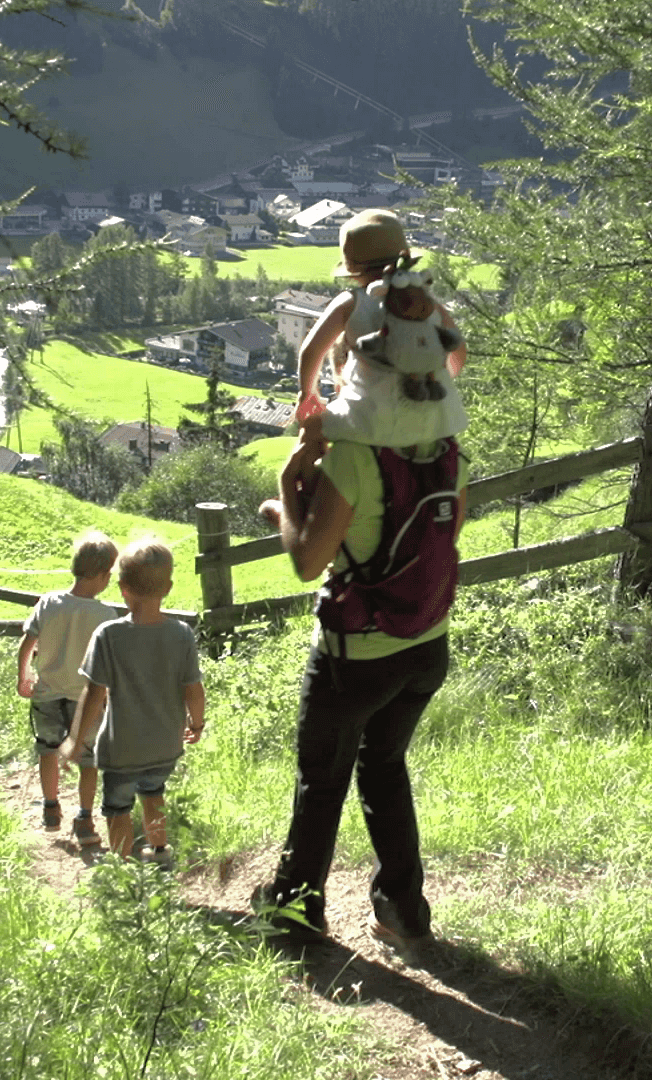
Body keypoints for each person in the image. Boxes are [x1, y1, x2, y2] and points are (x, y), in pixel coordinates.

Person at [251, 400, 466, 948]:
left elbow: (307, 561)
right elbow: (435, 544)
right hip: (425, 647)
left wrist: (285, 493)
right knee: (385, 767)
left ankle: (295, 913)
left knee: (322, 781)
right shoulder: (446, 455)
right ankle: (404, 913)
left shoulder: (353, 460)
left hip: (356, 658)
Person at [62, 541, 206, 865]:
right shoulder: (181, 634)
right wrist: (196, 725)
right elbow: (194, 690)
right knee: (154, 795)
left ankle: (123, 868)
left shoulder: (108, 635)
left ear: (123, 588)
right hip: (165, 745)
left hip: (121, 748)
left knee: (118, 807)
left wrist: (75, 740)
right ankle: (159, 852)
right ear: (168, 588)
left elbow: (94, 694)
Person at [296, 209, 470, 449]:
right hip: (434, 423)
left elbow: (311, 350)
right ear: (406, 258)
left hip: (368, 420)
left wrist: (308, 395)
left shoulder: (351, 302)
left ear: (353, 271)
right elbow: (458, 353)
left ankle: (299, 482)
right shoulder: (427, 304)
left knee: (310, 434)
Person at [16, 530, 119, 843]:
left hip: (47, 693)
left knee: (47, 752)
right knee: (89, 761)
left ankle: (50, 808)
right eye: (110, 574)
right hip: (85, 701)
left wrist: (23, 676)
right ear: (102, 575)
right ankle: (85, 820)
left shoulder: (49, 603)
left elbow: (27, 642)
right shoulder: (105, 615)